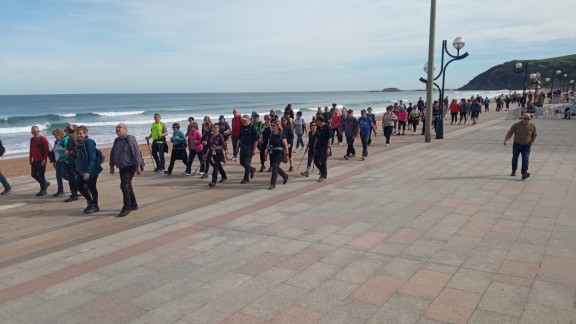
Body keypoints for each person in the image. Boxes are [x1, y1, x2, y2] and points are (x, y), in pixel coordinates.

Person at [109, 123, 145, 217]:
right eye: (116, 127)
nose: (117, 129)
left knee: (124, 185)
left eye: (119, 127)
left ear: (125, 129)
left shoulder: (130, 139)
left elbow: (136, 152)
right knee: (127, 185)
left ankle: (126, 207)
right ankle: (133, 204)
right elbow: (112, 153)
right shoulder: (117, 140)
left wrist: (138, 166)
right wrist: (111, 166)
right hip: (122, 166)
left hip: (130, 165)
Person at [74, 126, 103, 214]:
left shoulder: (89, 143)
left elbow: (92, 157)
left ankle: (95, 205)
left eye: (81, 133)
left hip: (91, 170)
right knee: (79, 185)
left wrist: (88, 172)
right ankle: (90, 202)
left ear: (85, 133)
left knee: (92, 186)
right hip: (81, 170)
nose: (79, 135)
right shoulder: (78, 144)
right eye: (78, 133)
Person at [504, 113, 537, 180]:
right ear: (522, 118)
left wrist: (531, 142)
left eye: (528, 119)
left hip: (526, 145)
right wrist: (506, 139)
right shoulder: (516, 125)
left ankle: (524, 173)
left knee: (525, 158)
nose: (526, 120)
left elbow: (535, 134)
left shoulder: (532, 125)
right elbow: (510, 132)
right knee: (515, 157)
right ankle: (514, 170)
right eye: (525, 118)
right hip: (517, 144)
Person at [265, 120, 289, 190]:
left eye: (273, 125)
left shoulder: (281, 134)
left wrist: (287, 154)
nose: (272, 127)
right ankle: (285, 176)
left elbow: (286, 146)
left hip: (279, 152)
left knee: (274, 168)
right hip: (272, 153)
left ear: (277, 126)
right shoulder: (271, 134)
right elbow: (268, 145)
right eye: (271, 125)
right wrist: (266, 154)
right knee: (275, 167)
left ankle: (273, 183)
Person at [29, 126, 50, 196]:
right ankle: (45, 183)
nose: (36, 133)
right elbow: (31, 150)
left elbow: (47, 150)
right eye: (34, 132)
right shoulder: (32, 139)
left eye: (37, 131)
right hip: (35, 160)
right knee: (33, 174)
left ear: (39, 131)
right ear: (31, 132)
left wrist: (44, 159)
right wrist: (30, 159)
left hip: (42, 160)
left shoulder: (43, 139)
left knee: (41, 175)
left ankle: (43, 190)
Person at [238, 115, 259, 184]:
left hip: (250, 147)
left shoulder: (252, 127)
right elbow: (240, 138)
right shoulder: (242, 127)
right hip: (243, 147)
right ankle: (252, 169)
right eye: (242, 120)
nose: (243, 121)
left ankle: (246, 178)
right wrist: (237, 148)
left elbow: (256, 139)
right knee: (242, 162)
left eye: (245, 120)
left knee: (247, 163)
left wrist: (254, 150)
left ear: (248, 120)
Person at [51, 128, 69, 197]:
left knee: (64, 175)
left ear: (60, 134)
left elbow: (68, 150)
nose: (55, 137)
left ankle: (78, 184)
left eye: (56, 135)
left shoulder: (65, 140)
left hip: (64, 161)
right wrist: (54, 161)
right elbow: (55, 151)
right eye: (54, 136)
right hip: (57, 161)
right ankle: (60, 190)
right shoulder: (56, 141)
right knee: (58, 176)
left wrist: (63, 159)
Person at [63, 125, 79, 202]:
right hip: (76, 161)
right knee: (75, 177)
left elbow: (74, 150)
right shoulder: (75, 137)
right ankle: (77, 192)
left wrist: (68, 152)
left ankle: (74, 195)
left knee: (72, 178)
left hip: (72, 161)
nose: (65, 132)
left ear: (67, 131)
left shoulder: (71, 138)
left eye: (65, 130)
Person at [314, 116, 332, 182]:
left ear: (319, 121)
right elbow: (316, 137)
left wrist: (328, 148)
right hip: (318, 146)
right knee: (315, 160)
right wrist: (314, 145)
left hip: (325, 147)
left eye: (316, 120)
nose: (315, 122)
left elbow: (329, 138)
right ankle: (322, 171)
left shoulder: (327, 127)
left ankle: (324, 175)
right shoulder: (318, 128)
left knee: (323, 161)